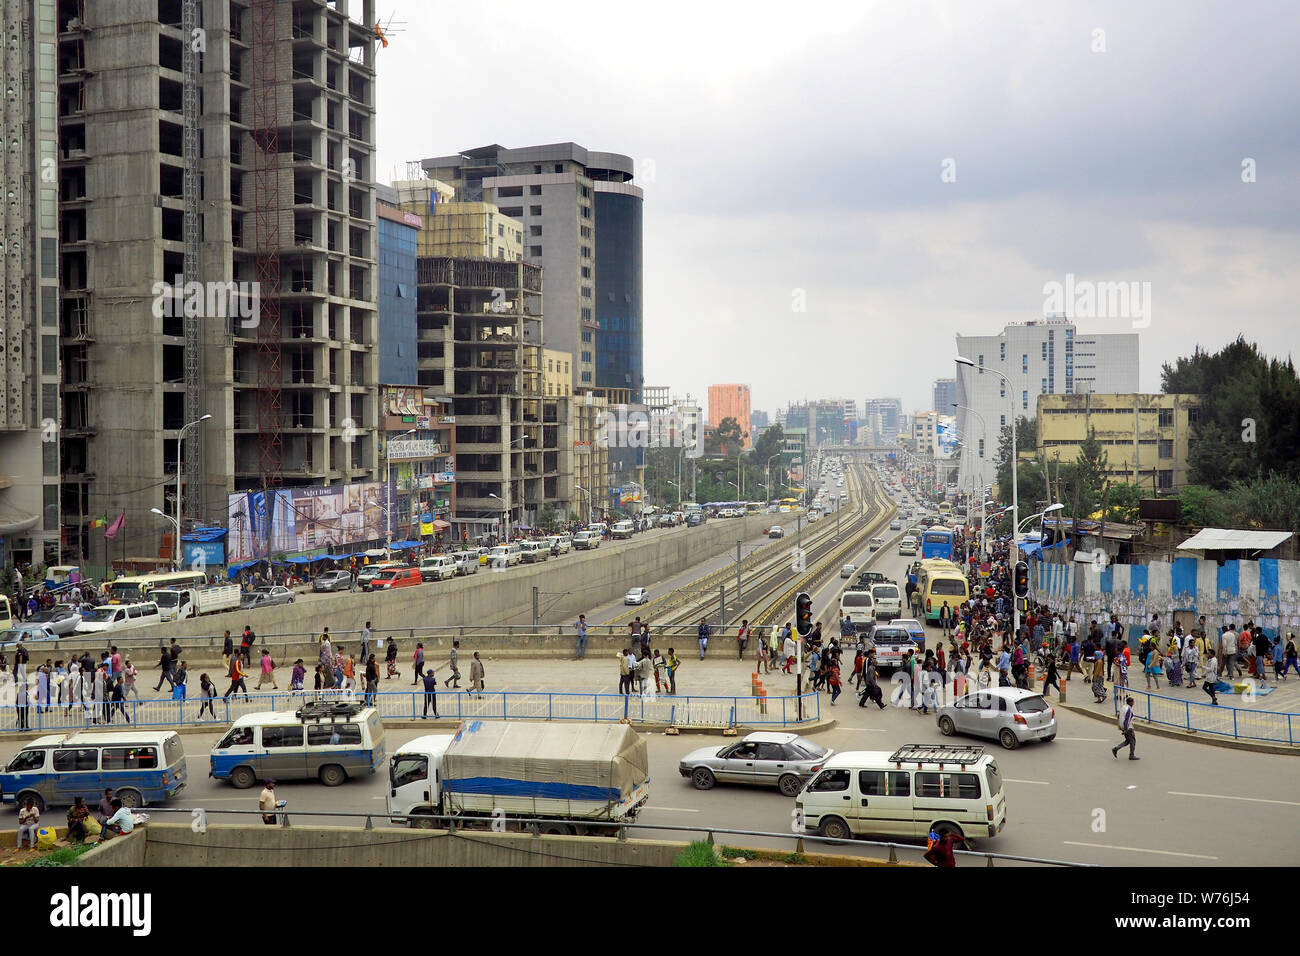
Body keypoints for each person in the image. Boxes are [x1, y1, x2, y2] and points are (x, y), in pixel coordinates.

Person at [1112, 696, 1139, 760]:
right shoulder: (1129, 710)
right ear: (1130, 702)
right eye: (1133, 702)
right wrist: (1126, 729)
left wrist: (1121, 727)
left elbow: (1118, 715)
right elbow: (1127, 720)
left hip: (1123, 726)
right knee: (1133, 741)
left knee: (1128, 741)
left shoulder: (1123, 707)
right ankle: (1131, 755)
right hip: (1128, 728)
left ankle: (1116, 748)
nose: (1133, 703)